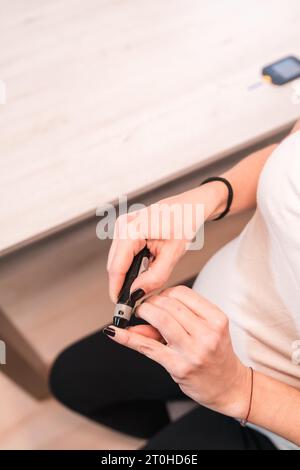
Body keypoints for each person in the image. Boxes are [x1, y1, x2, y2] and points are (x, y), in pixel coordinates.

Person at [50, 120, 300, 450]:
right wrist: (205, 199)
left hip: (271, 412)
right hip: (214, 308)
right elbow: (288, 150)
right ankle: (195, 413)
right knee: (72, 378)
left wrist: (237, 391)